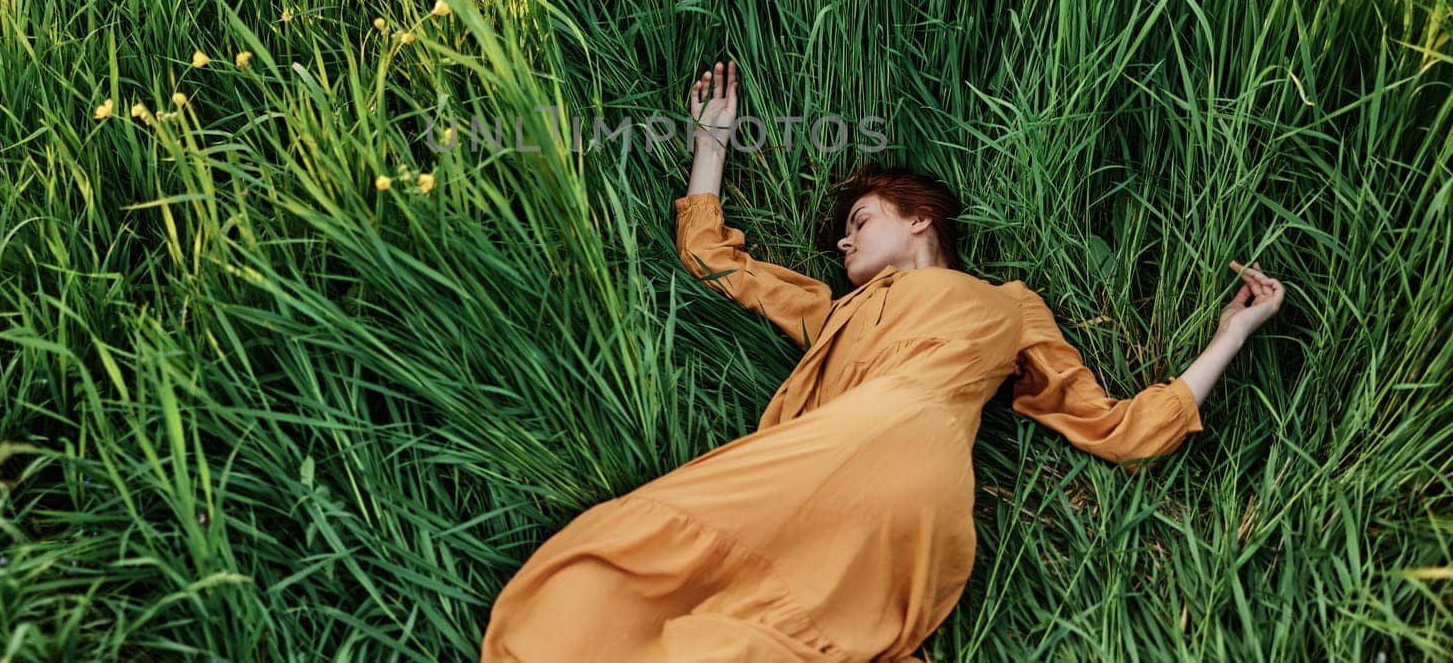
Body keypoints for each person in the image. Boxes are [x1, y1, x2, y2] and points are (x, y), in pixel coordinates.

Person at [481, 60, 1285, 662]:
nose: (842, 239)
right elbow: (711, 255)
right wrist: (710, 143)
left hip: (893, 441)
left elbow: (1117, 427)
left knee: (629, 561)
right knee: (711, 627)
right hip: (873, 481)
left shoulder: (1010, 303)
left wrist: (1230, 335)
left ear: (922, 218)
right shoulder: (836, 312)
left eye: (861, 218)